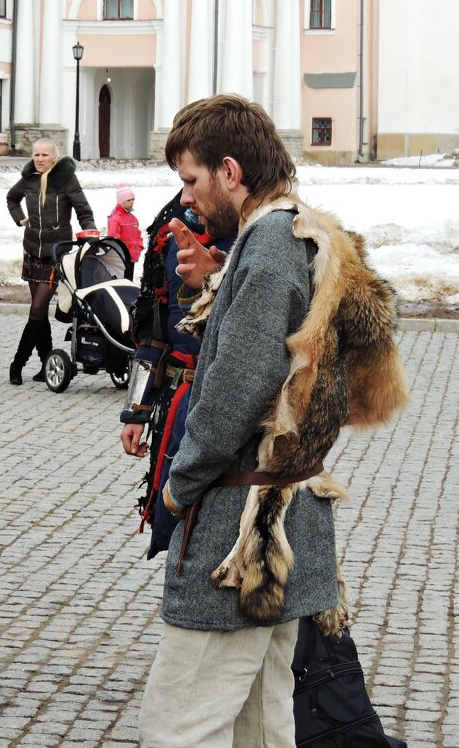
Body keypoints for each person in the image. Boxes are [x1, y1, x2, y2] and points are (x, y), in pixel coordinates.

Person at [121, 94, 407, 748]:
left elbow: (234, 396)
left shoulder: (272, 246)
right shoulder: (289, 233)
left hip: (241, 533)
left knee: (179, 727)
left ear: (230, 169)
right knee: (261, 725)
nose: (188, 200)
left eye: (191, 180)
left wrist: (175, 485)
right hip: (273, 523)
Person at [120, 191, 234, 560]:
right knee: (177, 526)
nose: (187, 194)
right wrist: (136, 410)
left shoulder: (258, 235)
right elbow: (151, 331)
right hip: (179, 400)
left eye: (193, 178)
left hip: (232, 406)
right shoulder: (167, 236)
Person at [5, 138, 96, 384]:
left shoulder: (65, 179)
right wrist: (20, 219)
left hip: (56, 253)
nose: (40, 159)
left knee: (36, 308)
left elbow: (83, 210)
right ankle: (47, 363)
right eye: (36, 155)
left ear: (54, 157)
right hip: (32, 250)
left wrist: (90, 233)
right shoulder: (29, 178)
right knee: (40, 311)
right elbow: (11, 198)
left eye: (45, 155)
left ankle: (17, 364)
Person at [107, 183, 144, 263]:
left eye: (133, 199)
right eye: (128, 200)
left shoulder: (133, 218)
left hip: (133, 257)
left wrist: (139, 247)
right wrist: (121, 254)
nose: (132, 202)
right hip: (120, 259)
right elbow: (113, 240)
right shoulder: (114, 219)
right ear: (121, 201)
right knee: (121, 276)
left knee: (129, 276)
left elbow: (138, 235)